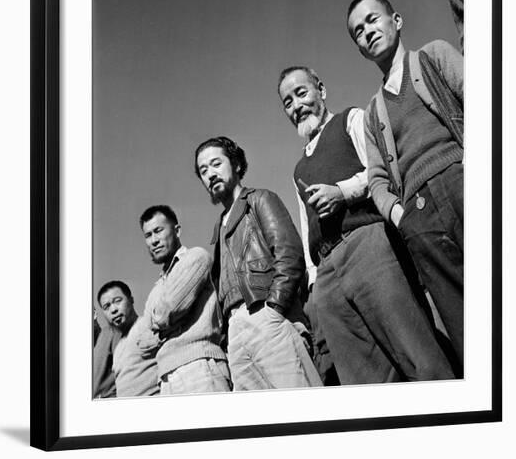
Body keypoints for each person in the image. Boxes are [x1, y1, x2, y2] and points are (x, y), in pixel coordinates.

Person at [277, 66, 456, 384]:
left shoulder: (351, 119)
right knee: (363, 380)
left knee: (417, 354)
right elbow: (307, 227)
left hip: (368, 244)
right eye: (287, 102)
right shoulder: (297, 169)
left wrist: (342, 193)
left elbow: (381, 172)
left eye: (301, 93)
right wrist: (316, 284)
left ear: (321, 90)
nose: (296, 106)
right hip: (328, 274)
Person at [347, 0, 464, 369]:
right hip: (419, 216)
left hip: (463, 180)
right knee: (463, 319)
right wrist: (400, 217)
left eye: (372, 20)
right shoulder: (372, 113)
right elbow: (377, 179)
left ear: (396, 20)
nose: (367, 32)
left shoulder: (433, 56)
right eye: (358, 32)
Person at [195, 136, 322, 391]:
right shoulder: (218, 228)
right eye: (203, 170)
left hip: (268, 314)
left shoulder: (259, 199)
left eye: (216, 164)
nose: (210, 174)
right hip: (236, 334)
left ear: (237, 165)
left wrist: (274, 307)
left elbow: (289, 253)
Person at [137, 205, 231, 395]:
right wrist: (168, 325)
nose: (154, 240)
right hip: (165, 379)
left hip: (199, 366)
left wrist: (161, 324)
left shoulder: (196, 257)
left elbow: (168, 311)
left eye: (158, 231)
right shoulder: (156, 289)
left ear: (177, 230)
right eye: (148, 235)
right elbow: (143, 344)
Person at [97, 280, 160, 397]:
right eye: (106, 307)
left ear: (131, 300)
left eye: (117, 301)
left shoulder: (149, 325)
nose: (113, 310)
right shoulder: (118, 346)